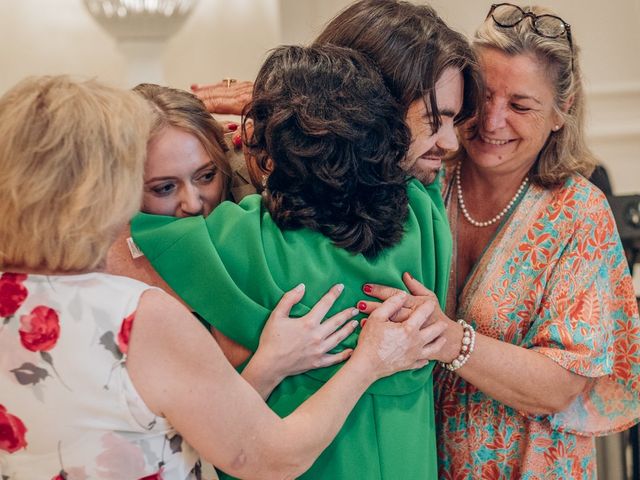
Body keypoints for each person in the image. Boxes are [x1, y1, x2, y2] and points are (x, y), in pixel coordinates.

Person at [0, 75, 444, 479]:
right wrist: (368, 363)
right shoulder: (138, 316)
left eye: (206, 176)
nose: (191, 204)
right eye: (158, 185)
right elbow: (272, 456)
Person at [128, 44, 451, 479]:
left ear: (267, 154)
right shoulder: (422, 214)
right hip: (408, 458)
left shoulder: (237, 243)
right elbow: (425, 170)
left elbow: (145, 229)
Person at [360, 4, 640, 478]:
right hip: (413, 455)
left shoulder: (579, 214)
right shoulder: (426, 177)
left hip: (527, 465)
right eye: (483, 97)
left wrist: (451, 340)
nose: (490, 122)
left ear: (560, 112)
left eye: (520, 105)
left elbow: (562, 386)